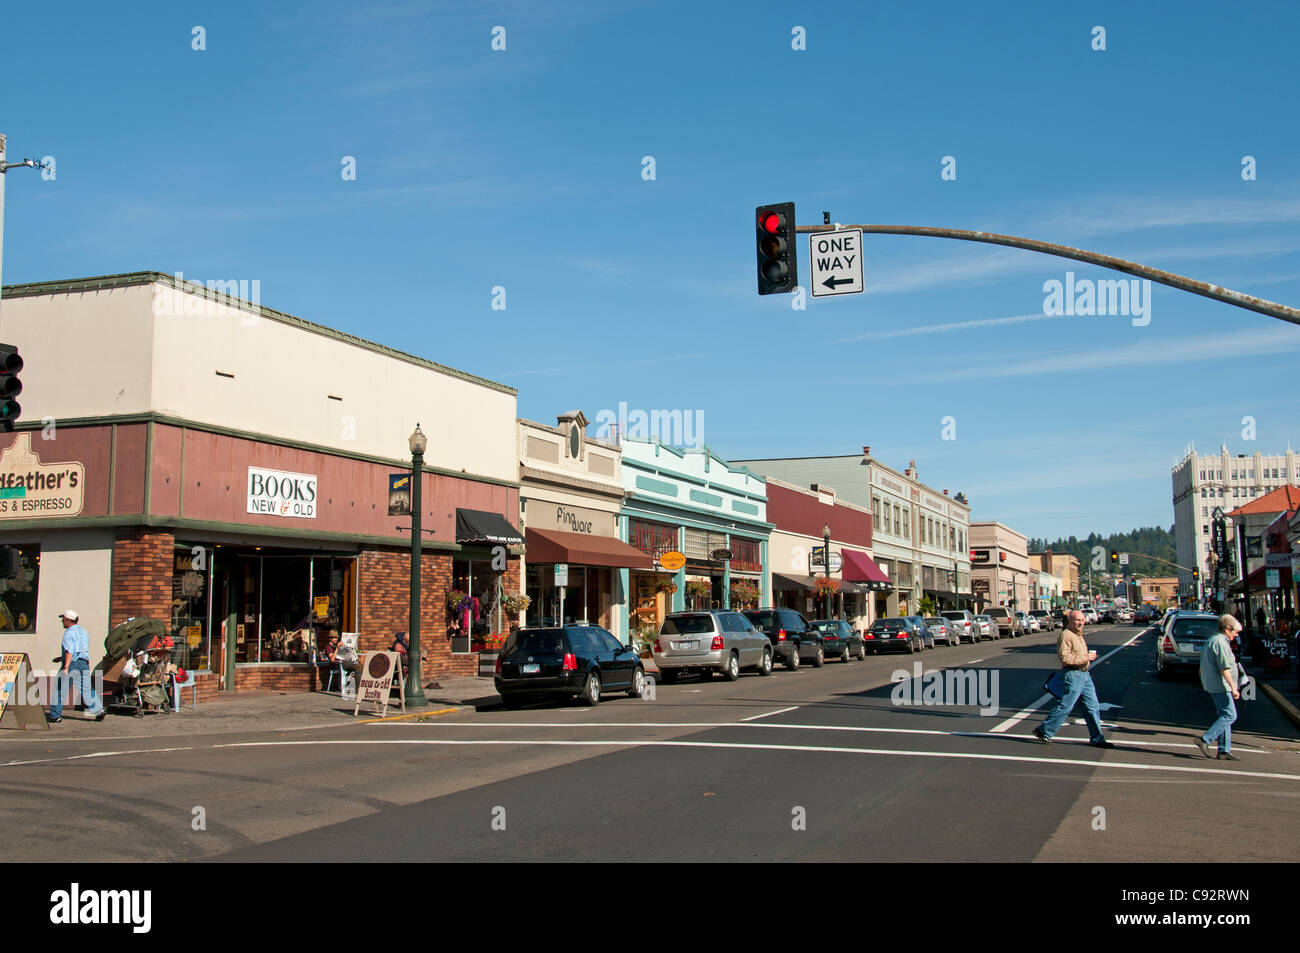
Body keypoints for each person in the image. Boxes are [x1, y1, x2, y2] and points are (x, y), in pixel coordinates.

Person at [1034, 609, 1113, 748]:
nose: (1081, 623)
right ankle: (1045, 731)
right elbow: (1065, 658)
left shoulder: (1079, 635)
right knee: (1066, 705)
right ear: (1070, 621)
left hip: (1084, 674)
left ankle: (1097, 738)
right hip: (1073, 674)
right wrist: (1086, 657)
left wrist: (1087, 658)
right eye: (1078, 620)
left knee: (1092, 706)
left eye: (1083, 620)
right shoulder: (1066, 635)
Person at [1195, 614, 1242, 761]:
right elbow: (1224, 667)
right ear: (1228, 629)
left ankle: (1224, 750)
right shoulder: (1220, 643)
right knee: (1230, 715)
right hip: (1220, 684)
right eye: (1235, 631)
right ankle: (1205, 739)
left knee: (1224, 715)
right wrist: (1234, 687)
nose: (1236, 634)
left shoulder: (1214, 640)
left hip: (1214, 683)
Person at [49, 610, 105, 723]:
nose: (62, 621)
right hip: (83, 663)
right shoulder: (84, 632)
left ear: (69, 620)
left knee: (60, 689)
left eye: (63, 619)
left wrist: (65, 667)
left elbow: (70, 651)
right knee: (87, 689)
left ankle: (55, 716)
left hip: (72, 664)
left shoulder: (68, 633)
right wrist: (61, 658)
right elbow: (80, 650)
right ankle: (99, 710)